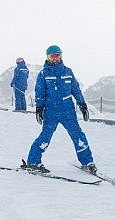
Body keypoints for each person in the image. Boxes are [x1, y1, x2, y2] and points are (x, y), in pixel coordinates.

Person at [23, 45, 95, 174]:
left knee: (78, 135)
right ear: (47, 57)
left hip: (68, 111)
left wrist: (82, 105)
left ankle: (87, 162)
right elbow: (40, 92)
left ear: (61, 56)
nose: (54, 59)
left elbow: (75, 89)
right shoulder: (44, 74)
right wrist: (39, 108)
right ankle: (33, 161)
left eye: (57, 56)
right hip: (51, 112)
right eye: (52, 56)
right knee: (45, 137)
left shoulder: (68, 72)